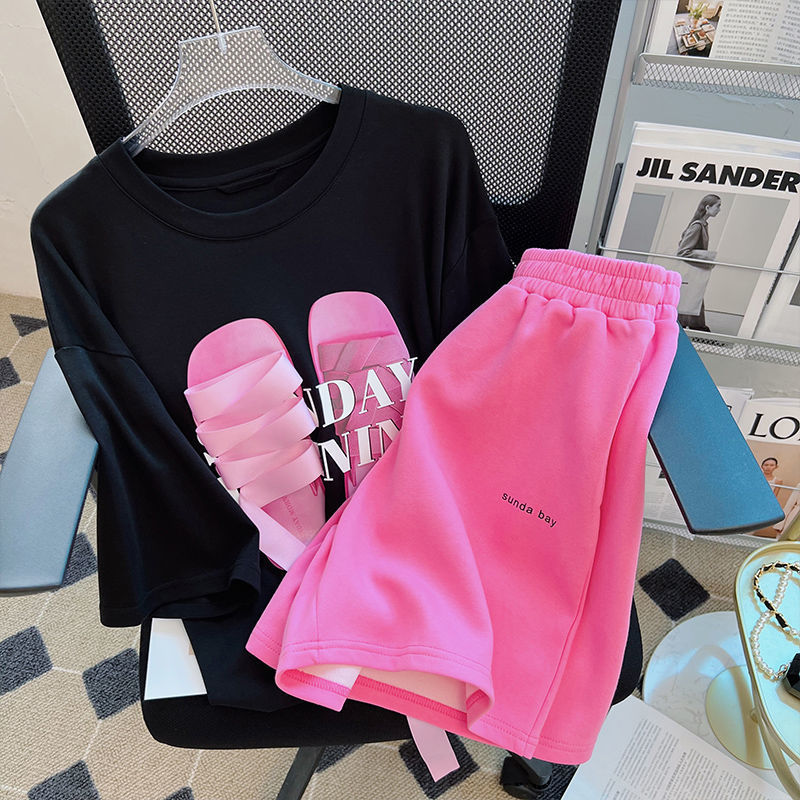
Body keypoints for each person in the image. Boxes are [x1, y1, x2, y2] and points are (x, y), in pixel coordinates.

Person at [676, 193, 721, 331]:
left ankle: (694, 328)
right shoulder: (697, 226)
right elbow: (682, 251)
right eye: (717, 206)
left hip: (694, 271)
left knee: (694, 299)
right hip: (692, 271)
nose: (719, 209)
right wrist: (707, 260)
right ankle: (699, 329)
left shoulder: (703, 225)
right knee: (693, 299)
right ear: (707, 207)